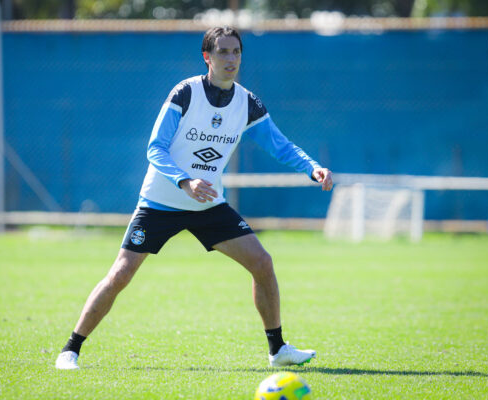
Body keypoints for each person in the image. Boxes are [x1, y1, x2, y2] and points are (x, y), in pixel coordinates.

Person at [55, 26, 333, 370]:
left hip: (207, 205)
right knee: (120, 275)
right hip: (160, 202)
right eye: (223, 52)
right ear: (207, 57)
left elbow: (280, 144)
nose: (231, 59)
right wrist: (185, 181)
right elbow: (155, 148)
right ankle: (71, 349)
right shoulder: (185, 93)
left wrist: (312, 168)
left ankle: (277, 351)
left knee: (262, 263)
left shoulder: (247, 103)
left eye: (236, 52)